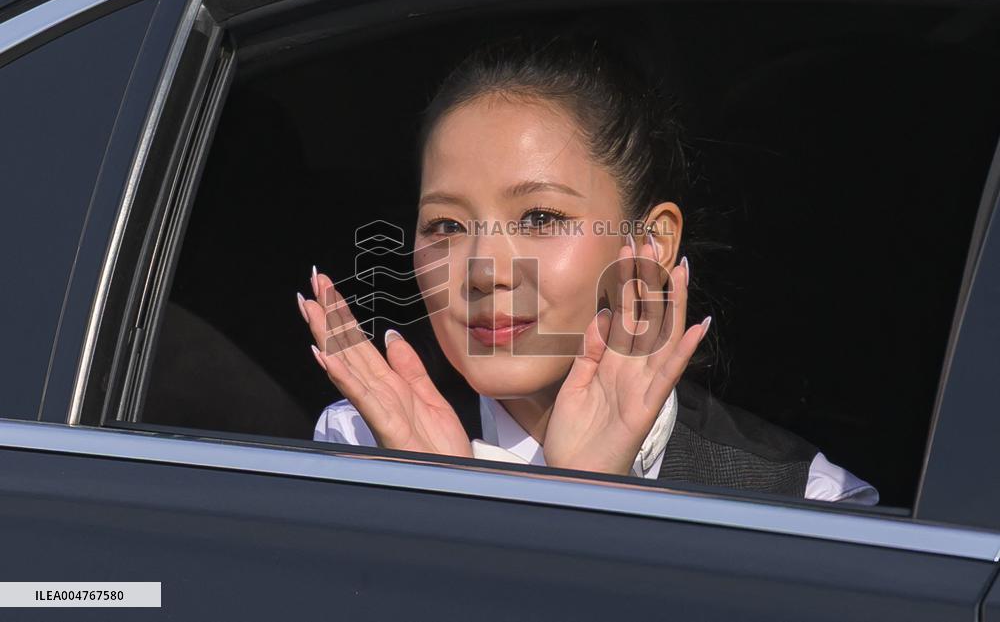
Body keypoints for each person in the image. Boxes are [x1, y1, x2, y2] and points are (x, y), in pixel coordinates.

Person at [296, 32, 878, 504]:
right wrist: (439, 504)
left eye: (540, 218)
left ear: (651, 244)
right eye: (445, 226)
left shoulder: (800, 502)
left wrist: (587, 497)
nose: (483, 271)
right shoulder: (363, 443)